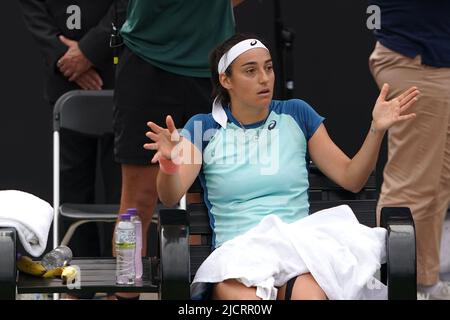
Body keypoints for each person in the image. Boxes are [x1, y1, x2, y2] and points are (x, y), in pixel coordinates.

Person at [144, 34, 419, 300]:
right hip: (237, 257)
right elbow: (170, 195)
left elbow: (352, 179)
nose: (264, 78)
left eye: (268, 67)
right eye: (250, 71)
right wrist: (169, 164)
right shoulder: (203, 126)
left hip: (300, 251)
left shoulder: (297, 114)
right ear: (226, 80)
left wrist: (376, 130)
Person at [112, 0, 244, 299]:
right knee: (138, 202)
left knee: (213, 197)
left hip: (213, 69)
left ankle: (203, 295)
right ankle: (125, 296)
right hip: (147, 65)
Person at [19, 0, 127, 298]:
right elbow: (35, 14)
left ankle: (120, 285)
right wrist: (67, 60)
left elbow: (127, 6)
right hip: (64, 85)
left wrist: (89, 52)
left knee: (123, 192)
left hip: (121, 77)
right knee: (72, 190)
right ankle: (76, 286)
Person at [368, 0, 450, 300]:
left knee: (440, 182)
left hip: (436, 59)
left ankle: (425, 282)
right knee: (411, 186)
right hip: (416, 60)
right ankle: (392, 288)